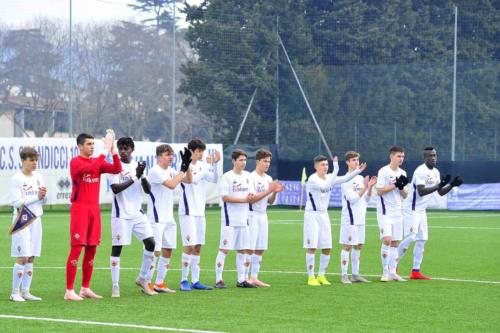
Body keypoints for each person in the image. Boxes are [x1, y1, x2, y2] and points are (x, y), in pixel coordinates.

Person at [65, 130, 122, 301]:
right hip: (80, 210)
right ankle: (69, 290)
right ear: (80, 146)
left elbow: (117, 169)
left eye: (93, 144)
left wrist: (113, 149)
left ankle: (85, 288)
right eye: (89, 144)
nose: (92, 147)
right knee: (77, 248)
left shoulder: (96, 162)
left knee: (92, 249)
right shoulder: (75, 162)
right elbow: (91, 168)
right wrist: (104, 151)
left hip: (93, 211)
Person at [398, 147, 462, 279]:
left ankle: (415, 271)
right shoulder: (420, 171)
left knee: (422, 239)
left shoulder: (436, 172)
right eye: (430, 156)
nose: (433, 158)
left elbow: (440, 192)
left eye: (435, 155)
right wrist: (438, 186)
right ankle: (392, 266)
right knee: (411, 237)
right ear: (425, 158)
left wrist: (451, 185)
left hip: (421, 210)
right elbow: (421, 191)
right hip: (411, 209)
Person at [214, 149, 275, 288]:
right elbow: (225, 197)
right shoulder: (227, 177)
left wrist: (252, 198)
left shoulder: (248, 176)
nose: (243, 163)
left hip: (244, 219)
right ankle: (219, 279)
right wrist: (243, 200)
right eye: (240, 160)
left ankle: (241, 279)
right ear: (234, 161)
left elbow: (251, 195)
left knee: (242, 249)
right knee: (224, 249)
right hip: (230, 220)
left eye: (245, 160)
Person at [304, 154, 365, 286]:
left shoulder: (329, 177)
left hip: (324, 215)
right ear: (316, 166)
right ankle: (311, 277)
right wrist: (336, 168)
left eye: (327, 164)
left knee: (327, 247)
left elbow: (345, 178)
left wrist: (358, 171)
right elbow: (325, 187)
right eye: (322, 165)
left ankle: (321, 275)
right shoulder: (313, 179)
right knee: (312, 246)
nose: (325, 167)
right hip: (312, 215)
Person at [108, 137, 156, 297]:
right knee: (117, 248)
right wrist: (135, 176)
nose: (123, 151)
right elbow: (115, 189)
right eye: (120, 148)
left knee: (151, 243)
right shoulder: (115, 166)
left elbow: (148, 190)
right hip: (121, 214)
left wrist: (141, 176)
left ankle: (142, 278)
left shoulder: (137, 166)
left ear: (132, 149)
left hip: (137, 213)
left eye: (126, 148)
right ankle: (115, 285)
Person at [142, 144, 192, 294]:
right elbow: (171, 184)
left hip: (169, 217)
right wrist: (182, 169)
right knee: (155, 252)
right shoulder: (154, 171)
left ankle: (159, 282)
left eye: (171, 154)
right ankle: (147, 283)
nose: (170, 157)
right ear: (158, 156)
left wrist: (187, 165)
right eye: (166, 154)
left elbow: (189, 180)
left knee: (168, 250)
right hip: (156, 218)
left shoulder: (171, 170)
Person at [178, 139, 220, 291]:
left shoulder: (203, 165)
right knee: (188, 245)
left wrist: (214, 164)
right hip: (188, 211)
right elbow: (192, 180)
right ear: (191, 151)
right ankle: (183, 280)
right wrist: (209, 165)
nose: (201, 154)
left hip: (200, 212)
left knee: (197, 246)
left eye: (202, 151)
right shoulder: (184, 166)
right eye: (198, 151)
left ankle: (195, 280)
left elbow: (214, 179)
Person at [9, 147, 47, 302]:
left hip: (36, 219)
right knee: (22, 257)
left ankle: (26, 291)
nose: (34, 163)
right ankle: (14, 292)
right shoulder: (16, 178)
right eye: (31, 160)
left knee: (31, 257)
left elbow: (43, 201)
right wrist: (36, 197)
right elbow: (16, 202)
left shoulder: (38, 177)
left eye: (36, 159)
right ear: (23, 160)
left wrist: (43, 197)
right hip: (22, 221)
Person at [247, 149, 283, 287]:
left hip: (263, 215)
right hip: (252, 215)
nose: (267, 164)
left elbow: (270, 201)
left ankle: (254, 277)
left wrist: (274, 192)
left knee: (261, 247)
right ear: (257, 161)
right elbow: (252, 199)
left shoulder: (268, 178)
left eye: (269, 161)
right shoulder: (251, 177)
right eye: (265, 161)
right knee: (250, 248)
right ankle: (244, 278)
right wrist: (269, 189)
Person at [339, 151, 376, 284]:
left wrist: (370, 188)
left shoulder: (360, 179)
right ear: (347, 162)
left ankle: (355, 274)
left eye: (357, 160)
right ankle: (344, 275)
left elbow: (366, 199)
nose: (356, 162)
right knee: (347, 246)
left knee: (358, 246)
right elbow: (352, 199)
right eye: (353, 160)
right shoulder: (345, 179)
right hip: (350, 218)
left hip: (361, 217)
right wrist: (364, 187)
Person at [376, 145, 409, 282]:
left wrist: (401, 187)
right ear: (391, 156)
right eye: (398, 156)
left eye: (402, 156)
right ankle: (384, 273)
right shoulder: (384, 171)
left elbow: (405, 195)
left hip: (397, 211)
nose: (401, 159)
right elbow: (379, 190)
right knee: (387, 240)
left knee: (395, 243)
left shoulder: (403, 172)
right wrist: (395, 185)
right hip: (385, 211)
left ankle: (393, 272)